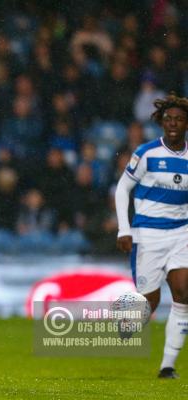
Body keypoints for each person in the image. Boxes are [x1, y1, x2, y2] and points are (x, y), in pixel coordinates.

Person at [115, 94, 188, 379]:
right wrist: (125, 228)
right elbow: (122, 189)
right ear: (161, 122)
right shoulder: (146, 153)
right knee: (150, 301)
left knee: (183, 293)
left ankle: (167, 366)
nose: (173, 123)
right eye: (168, 119)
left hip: (182, 232)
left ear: (186, 124)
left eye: (179, 119)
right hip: (148, 234)